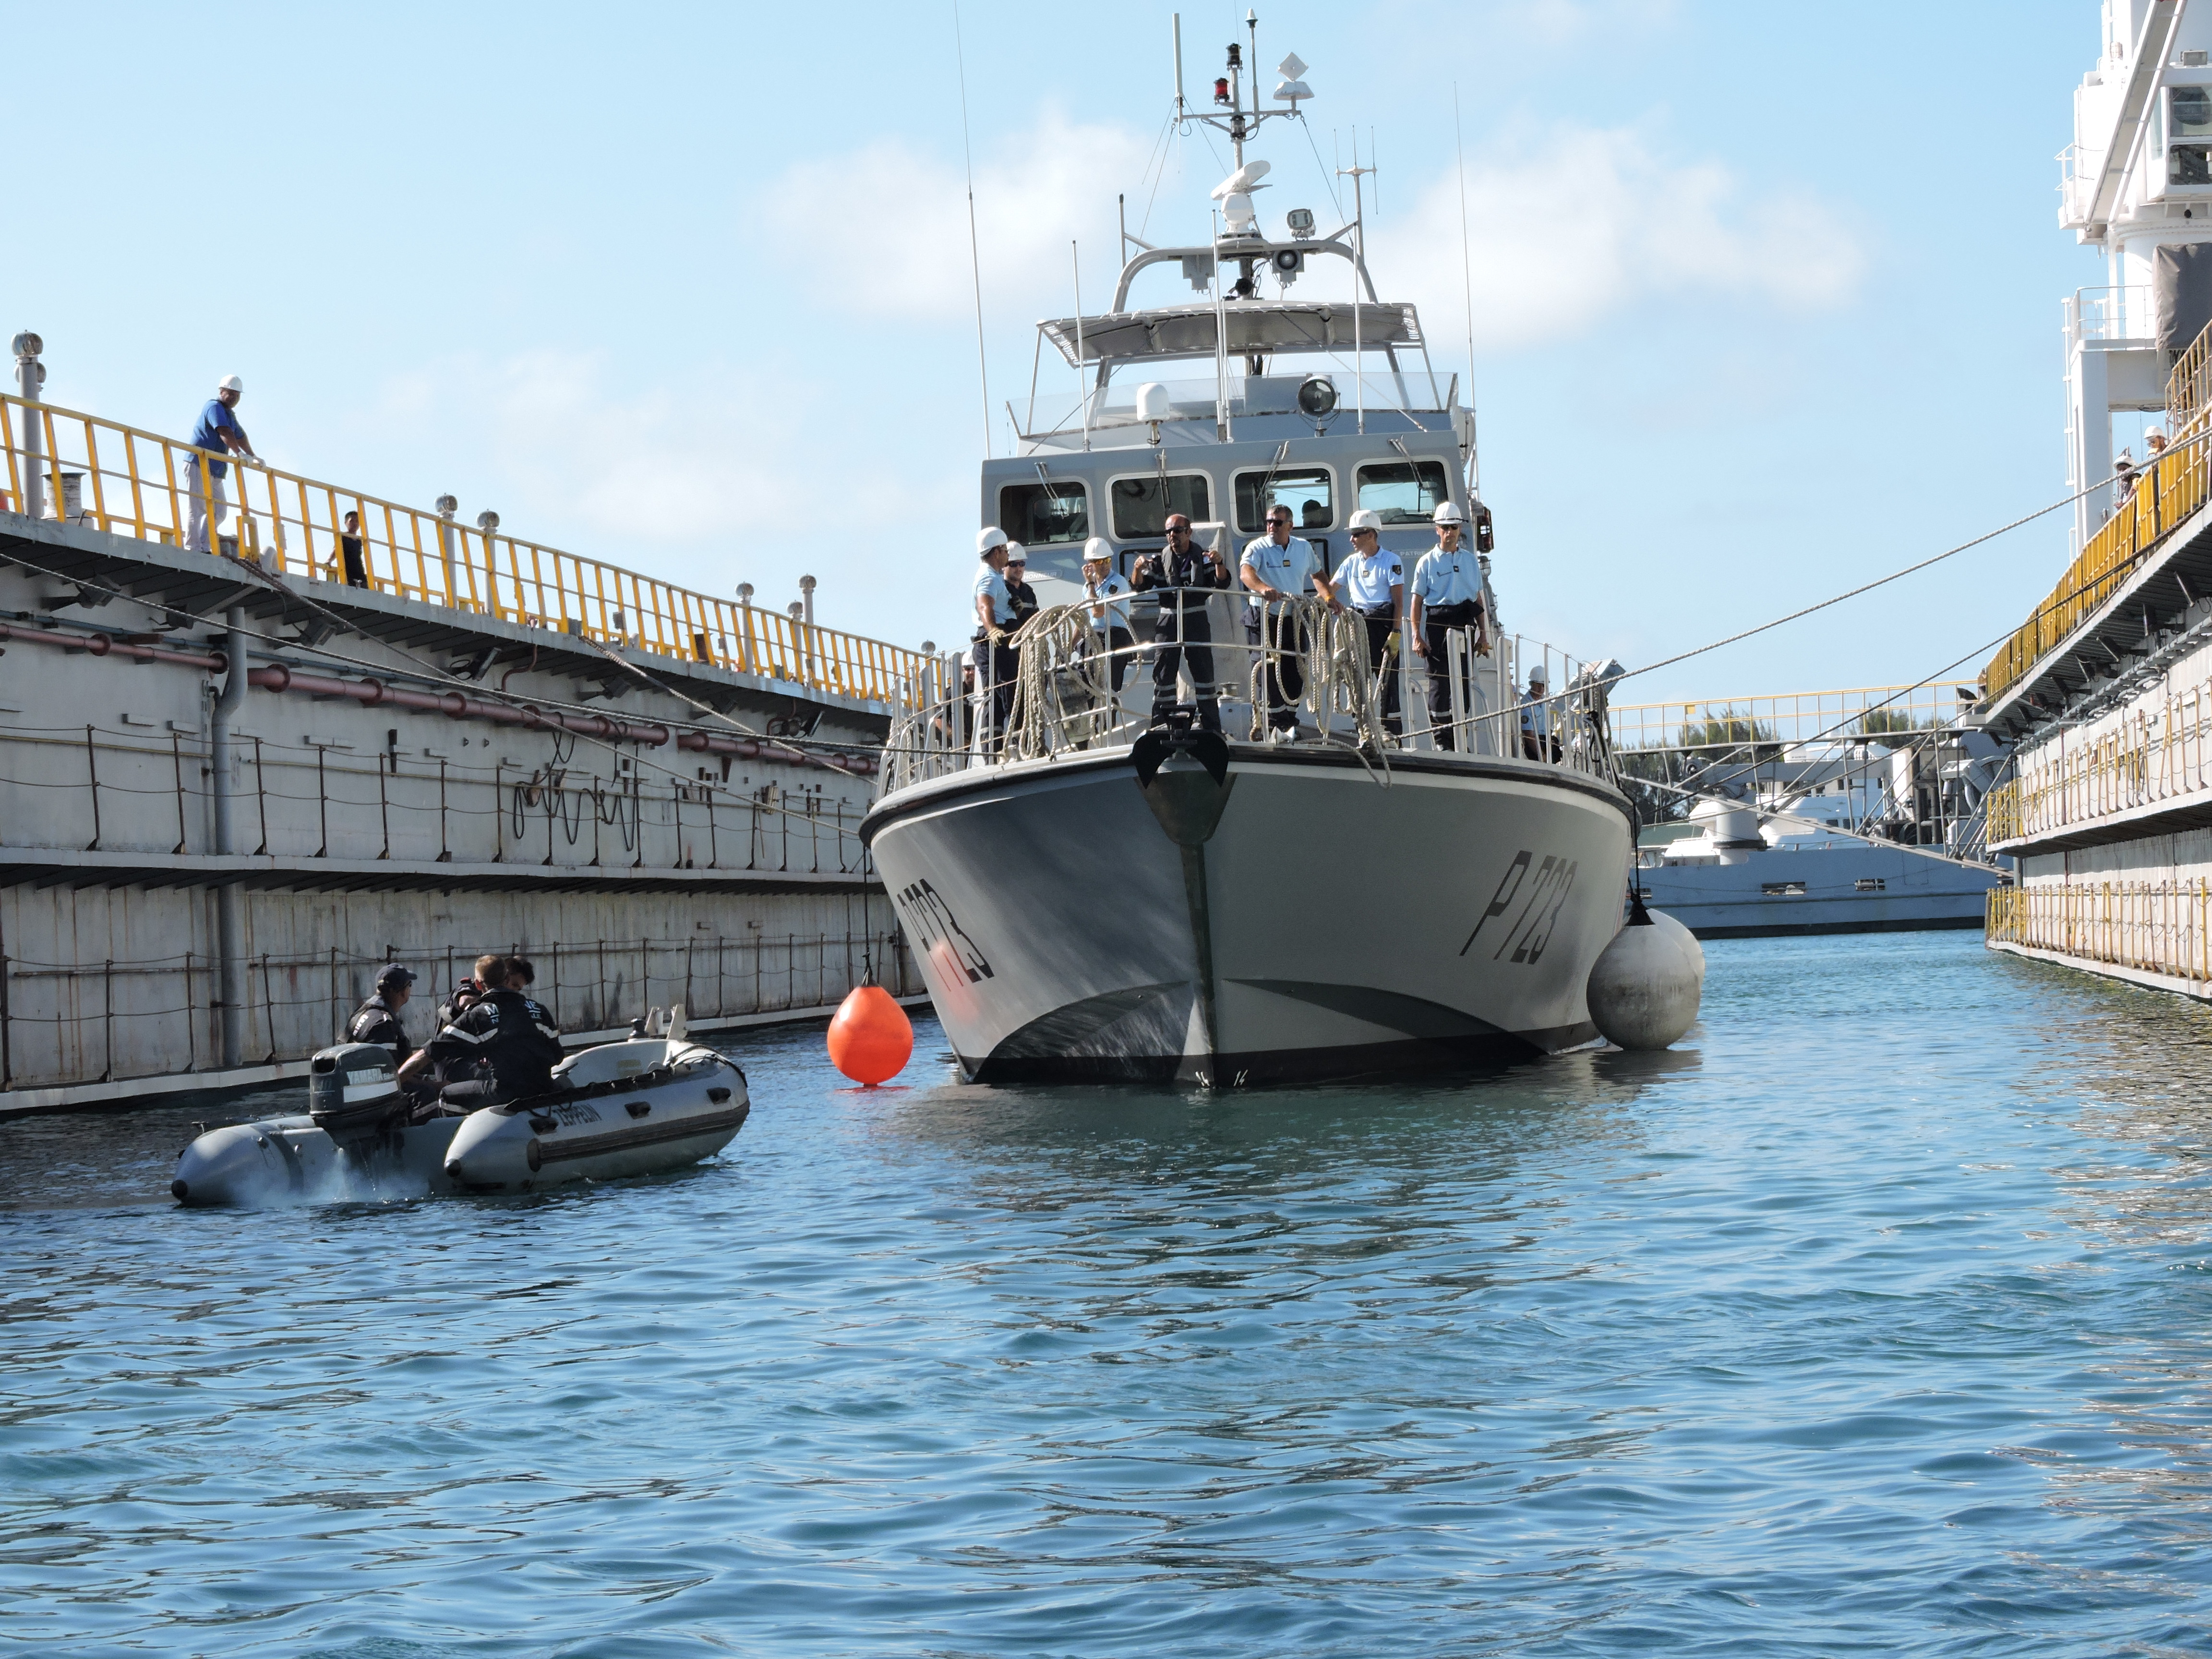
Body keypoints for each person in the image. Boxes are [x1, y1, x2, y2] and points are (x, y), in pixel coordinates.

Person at [398, 957, 564, 1108]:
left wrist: (396, 1081)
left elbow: (427, 1053)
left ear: (478, 984)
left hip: (505, 1090)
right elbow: (558, 1056)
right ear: (507, 979)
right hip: (544, 1087)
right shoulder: (540, 1010)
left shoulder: (479, 1015)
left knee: (446, 1094)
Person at [1239, 503, 1341, 738]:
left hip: (1292, 619)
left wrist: (1329, 596)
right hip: (1264, 619)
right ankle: (1276, 725)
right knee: (1269, 672)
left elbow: (1318, 574)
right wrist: (1263, 588)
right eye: (1268, 522)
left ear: (1290, 526)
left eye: (1277, 523)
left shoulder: (1303, 548)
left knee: (1294, 673)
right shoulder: (1257, 548)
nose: (1271, 527)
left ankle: (1289, 723)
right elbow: (1246, 573)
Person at [1130, 512, 1231, 732]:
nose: (1172, 535)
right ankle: (1160, 727)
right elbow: (1139, 587)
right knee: (1164, 676)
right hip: (1168, 622)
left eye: (1177, 530)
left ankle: (1212, 727)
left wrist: (1219, 562)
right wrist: (1137, 569)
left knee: (1204, 675)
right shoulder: (1159, 562)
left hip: (1196, 619)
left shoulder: (1203, 558)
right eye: (1168, 531)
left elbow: (1222, 583)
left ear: (1189, 532)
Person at [1410, 501, 1492, 750]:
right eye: (1445, 527)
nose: (1450, 532)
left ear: (1459, 529)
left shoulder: (1470, 561)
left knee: (1464, 682)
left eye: (1454, 527)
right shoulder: (1426, 562)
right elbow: (1417, 601)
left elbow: (1478, 599)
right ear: (1437, 529)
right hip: (1437, 622)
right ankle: (1441, 741)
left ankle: (1460, 741)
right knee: (1439, 684)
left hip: (1465, 623)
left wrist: (1483, 635)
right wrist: (1416, 635)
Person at [1335, 509, 1405, 733]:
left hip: (1383, 628)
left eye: (1357, 534)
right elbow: (1331, 590)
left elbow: (1398, 602)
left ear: (1372, 535)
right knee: (1358, 683)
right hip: (1358, 627)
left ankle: (1392, 735)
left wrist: (1396, 633)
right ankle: (1363, 733)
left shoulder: (1391, 561)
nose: (1352, 539)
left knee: (1387, 685)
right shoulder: (1350, 563)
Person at [184, 374, 258, 554]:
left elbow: (239, 435)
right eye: (231, 394)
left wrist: (252, 456)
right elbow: (224, 431)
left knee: (220, 511)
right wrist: (239, 454)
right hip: (198, 463)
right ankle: (193, 548)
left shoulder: (229, 414)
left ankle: (204, 545)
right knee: (197, 508)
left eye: (237, 395)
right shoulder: (214, 407)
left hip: (216, 469)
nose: (234, 398)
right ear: (221, 391)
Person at [971, 528, 1019, 748]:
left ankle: (1002, 741)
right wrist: (993, 629)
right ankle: (1011, 740)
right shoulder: (988, 577)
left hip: (999, 637)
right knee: (1007, 688)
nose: (1009, 556)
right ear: (997, 552)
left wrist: (1012, 606)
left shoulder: (993, 576)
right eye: (1006, 551)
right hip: (996, 640)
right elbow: (984, 605)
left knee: (1004, 690)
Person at [1080, 537, 1135, 693]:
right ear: (1089, 564)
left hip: (1116, 637)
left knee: (1110, 689)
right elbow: (1084, 619)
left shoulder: (1118, 583)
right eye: (1098, 562)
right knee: (1088, 687)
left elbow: (1097, 613)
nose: (1104, 565)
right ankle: (1094, 717)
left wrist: (1091, 585)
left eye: (1107, 560)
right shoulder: (1086, 588)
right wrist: (1068, 648)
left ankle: (1110, 717)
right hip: (1094, 637)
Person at [346, 964, 418, 1068]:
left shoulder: (363, 1013)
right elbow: (389, 1072)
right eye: (410, 985)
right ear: (403, 992)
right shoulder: (384, 1025)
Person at [1521, 664, 1561, 762]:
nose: (1541, 689)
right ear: (1532, 684)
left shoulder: (1544, 701)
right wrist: (1542, 755)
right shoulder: (1526, 705)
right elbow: (1529, 735)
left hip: (1545, 741)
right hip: (1535, 746)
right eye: (1539, 685)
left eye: (1544, 686)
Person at [1003, 544, 1040, 634]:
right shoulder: (1000, 589)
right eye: (1014, 564)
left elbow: (1037, 618)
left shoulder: (1028, 591)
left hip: (1027, 644)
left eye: (1022, 564)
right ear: (1004, 566)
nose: (1018, 568)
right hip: (1007, 644)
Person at [337, 509, 369, 589]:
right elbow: (336, 550)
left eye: (357, 521)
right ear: (346, 523)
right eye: (352, 521)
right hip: (348, 572)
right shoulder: (343, 537)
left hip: (360, 572)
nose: (355, 523)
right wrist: (329, 561)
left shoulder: (359, 540)